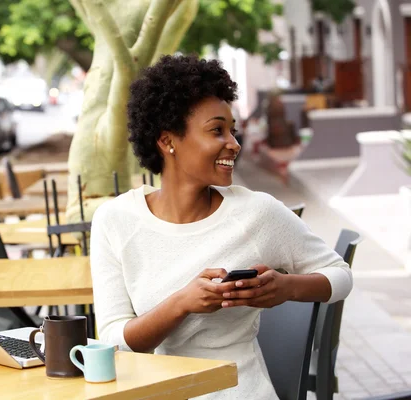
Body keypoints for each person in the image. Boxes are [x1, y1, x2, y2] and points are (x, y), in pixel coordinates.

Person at [89, 55, 353, 400]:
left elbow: (339, 275)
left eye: (233, 130)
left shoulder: (257, 212)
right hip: (156, 390)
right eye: (217, 130)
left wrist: (286, 287)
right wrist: (180, 304)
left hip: (240, 390)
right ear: (168, 141)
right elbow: (112, 342)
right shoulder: (115, 219)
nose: (234, 143)